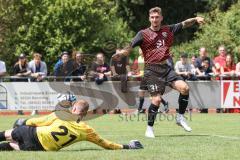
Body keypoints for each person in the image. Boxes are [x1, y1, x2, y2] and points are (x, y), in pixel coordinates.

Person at [112, 7, 205, 138]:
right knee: (156, 100)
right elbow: (130, 46)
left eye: (157, 17)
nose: (154, 19)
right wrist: (121, 53)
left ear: (161, 18)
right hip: (151, 70)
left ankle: (180, 117)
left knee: (184, 88)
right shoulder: (143, 34)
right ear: (149, 19)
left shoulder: (168, 30)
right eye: (152, 17)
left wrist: (195, 19)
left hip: (166, 68)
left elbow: (184, 23)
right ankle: (149, 128)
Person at [0, 99, 143, 151]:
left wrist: (22, 124)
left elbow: (36, 121)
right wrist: (127, 146)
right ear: (84, 114)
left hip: (30, 133)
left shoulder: (61, 114)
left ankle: (9, 136)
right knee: (12, 146)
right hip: (42, 148)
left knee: (9, 132)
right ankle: (11, 145)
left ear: (74, 109)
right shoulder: (87, 130)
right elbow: (106, 144)